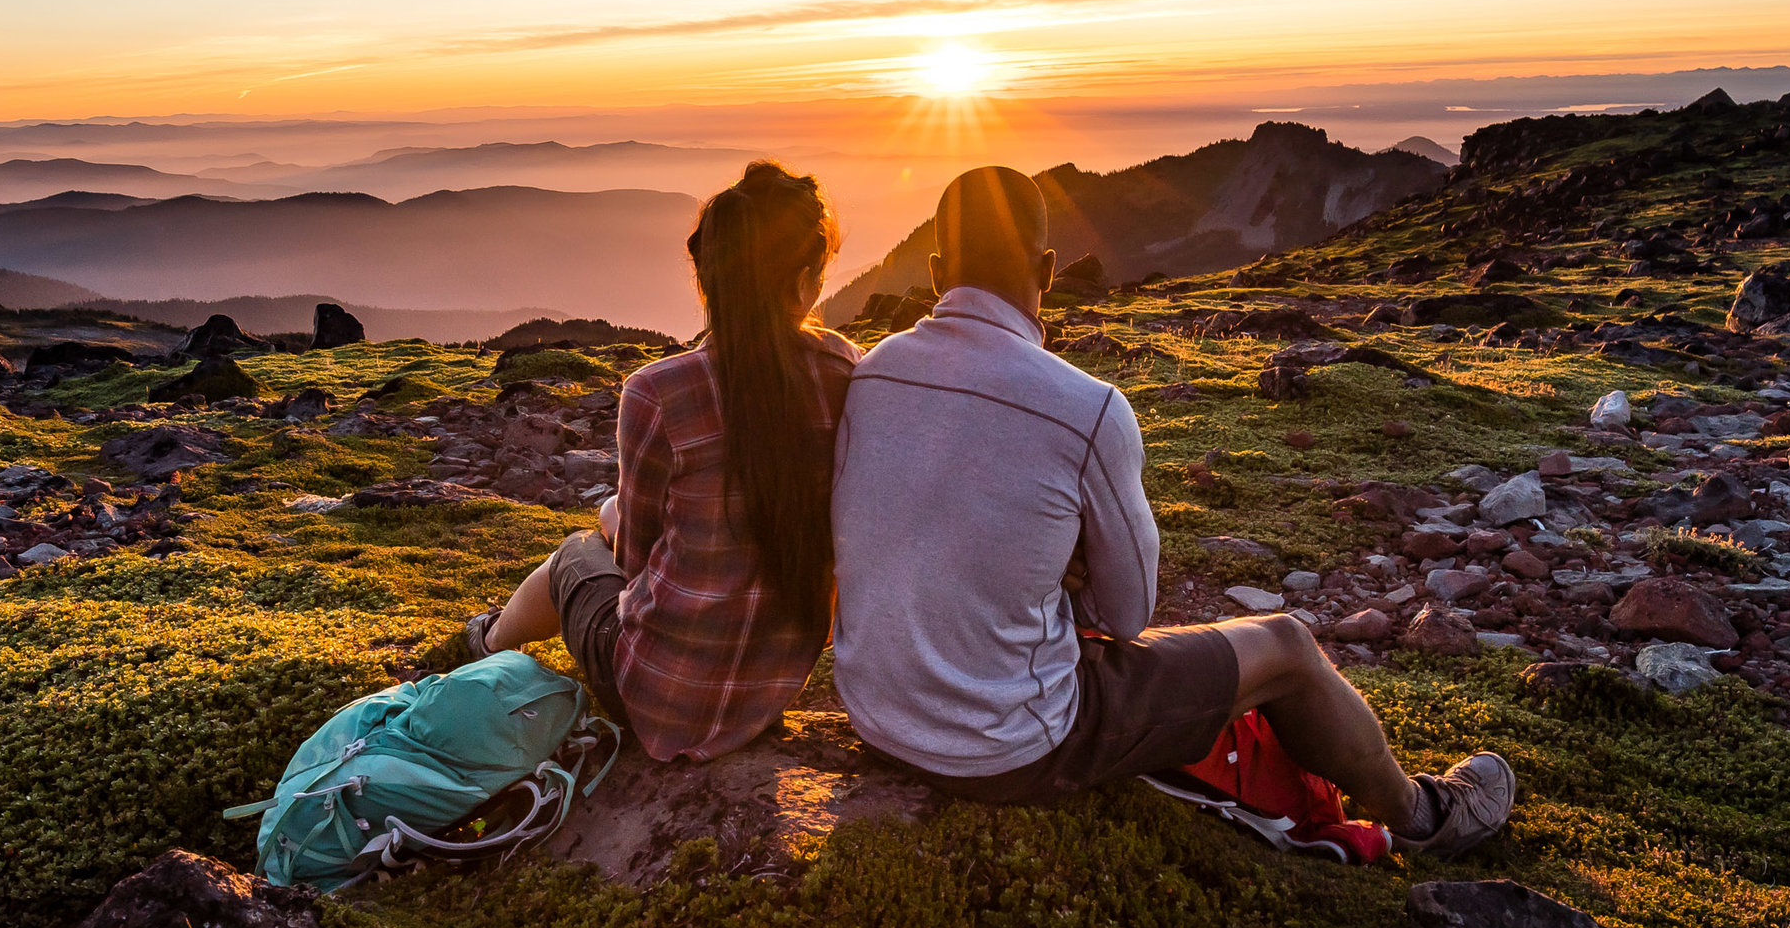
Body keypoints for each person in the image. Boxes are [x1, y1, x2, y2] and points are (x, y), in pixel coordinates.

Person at [828, 166, 1514, 853]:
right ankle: (1425, 814)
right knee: (1286, 646)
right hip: (1009, 745)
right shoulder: (1086, 408)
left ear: (936, 268)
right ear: (1046, 267)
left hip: (877, 717)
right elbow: (1126, 618)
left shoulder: (868, 374)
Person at [466, 162, 858, 761]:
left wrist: (611, 517)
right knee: (607, 519)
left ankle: (485, 643)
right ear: (807, 280)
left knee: (575, 554)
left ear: (708, 278)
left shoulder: (660, 392)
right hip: (776, 683)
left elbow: (637, 559)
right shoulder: (848, 374)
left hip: (662, 699)